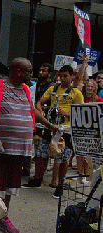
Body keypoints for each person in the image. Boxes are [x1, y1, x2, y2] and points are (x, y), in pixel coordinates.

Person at [0, 58, 59, 233]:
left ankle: (3, 217)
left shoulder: (27, 90)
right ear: (17, 71)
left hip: (19, 148)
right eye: (28, 71)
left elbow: (33, 111)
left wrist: (50, 126)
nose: (31, 74)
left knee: (8, 186)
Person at [36, 65, 84, 199]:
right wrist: (40, 111)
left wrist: (67, 114)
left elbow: (80, 113)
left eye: (65, 76)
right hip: (50, 125)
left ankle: (60, 186)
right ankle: (37, 179)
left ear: (71, 76)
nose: (62, 79)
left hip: (66, 129)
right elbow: (39, 102)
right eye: (60, 76)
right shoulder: (52, 89)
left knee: (63, 158)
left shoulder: (76, 93)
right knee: (41, 153)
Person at [21, 63, 54, 188]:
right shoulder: (36, 85)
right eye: (40, 70)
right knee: (29, 145)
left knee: (41, 149)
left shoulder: (52, 87)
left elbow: (48, 103)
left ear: (50, 73)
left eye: (44, 70)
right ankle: (26, 167)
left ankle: (38, 176)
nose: (41, 73)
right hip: (32, 117)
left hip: (43, 120)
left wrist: (42, 109)